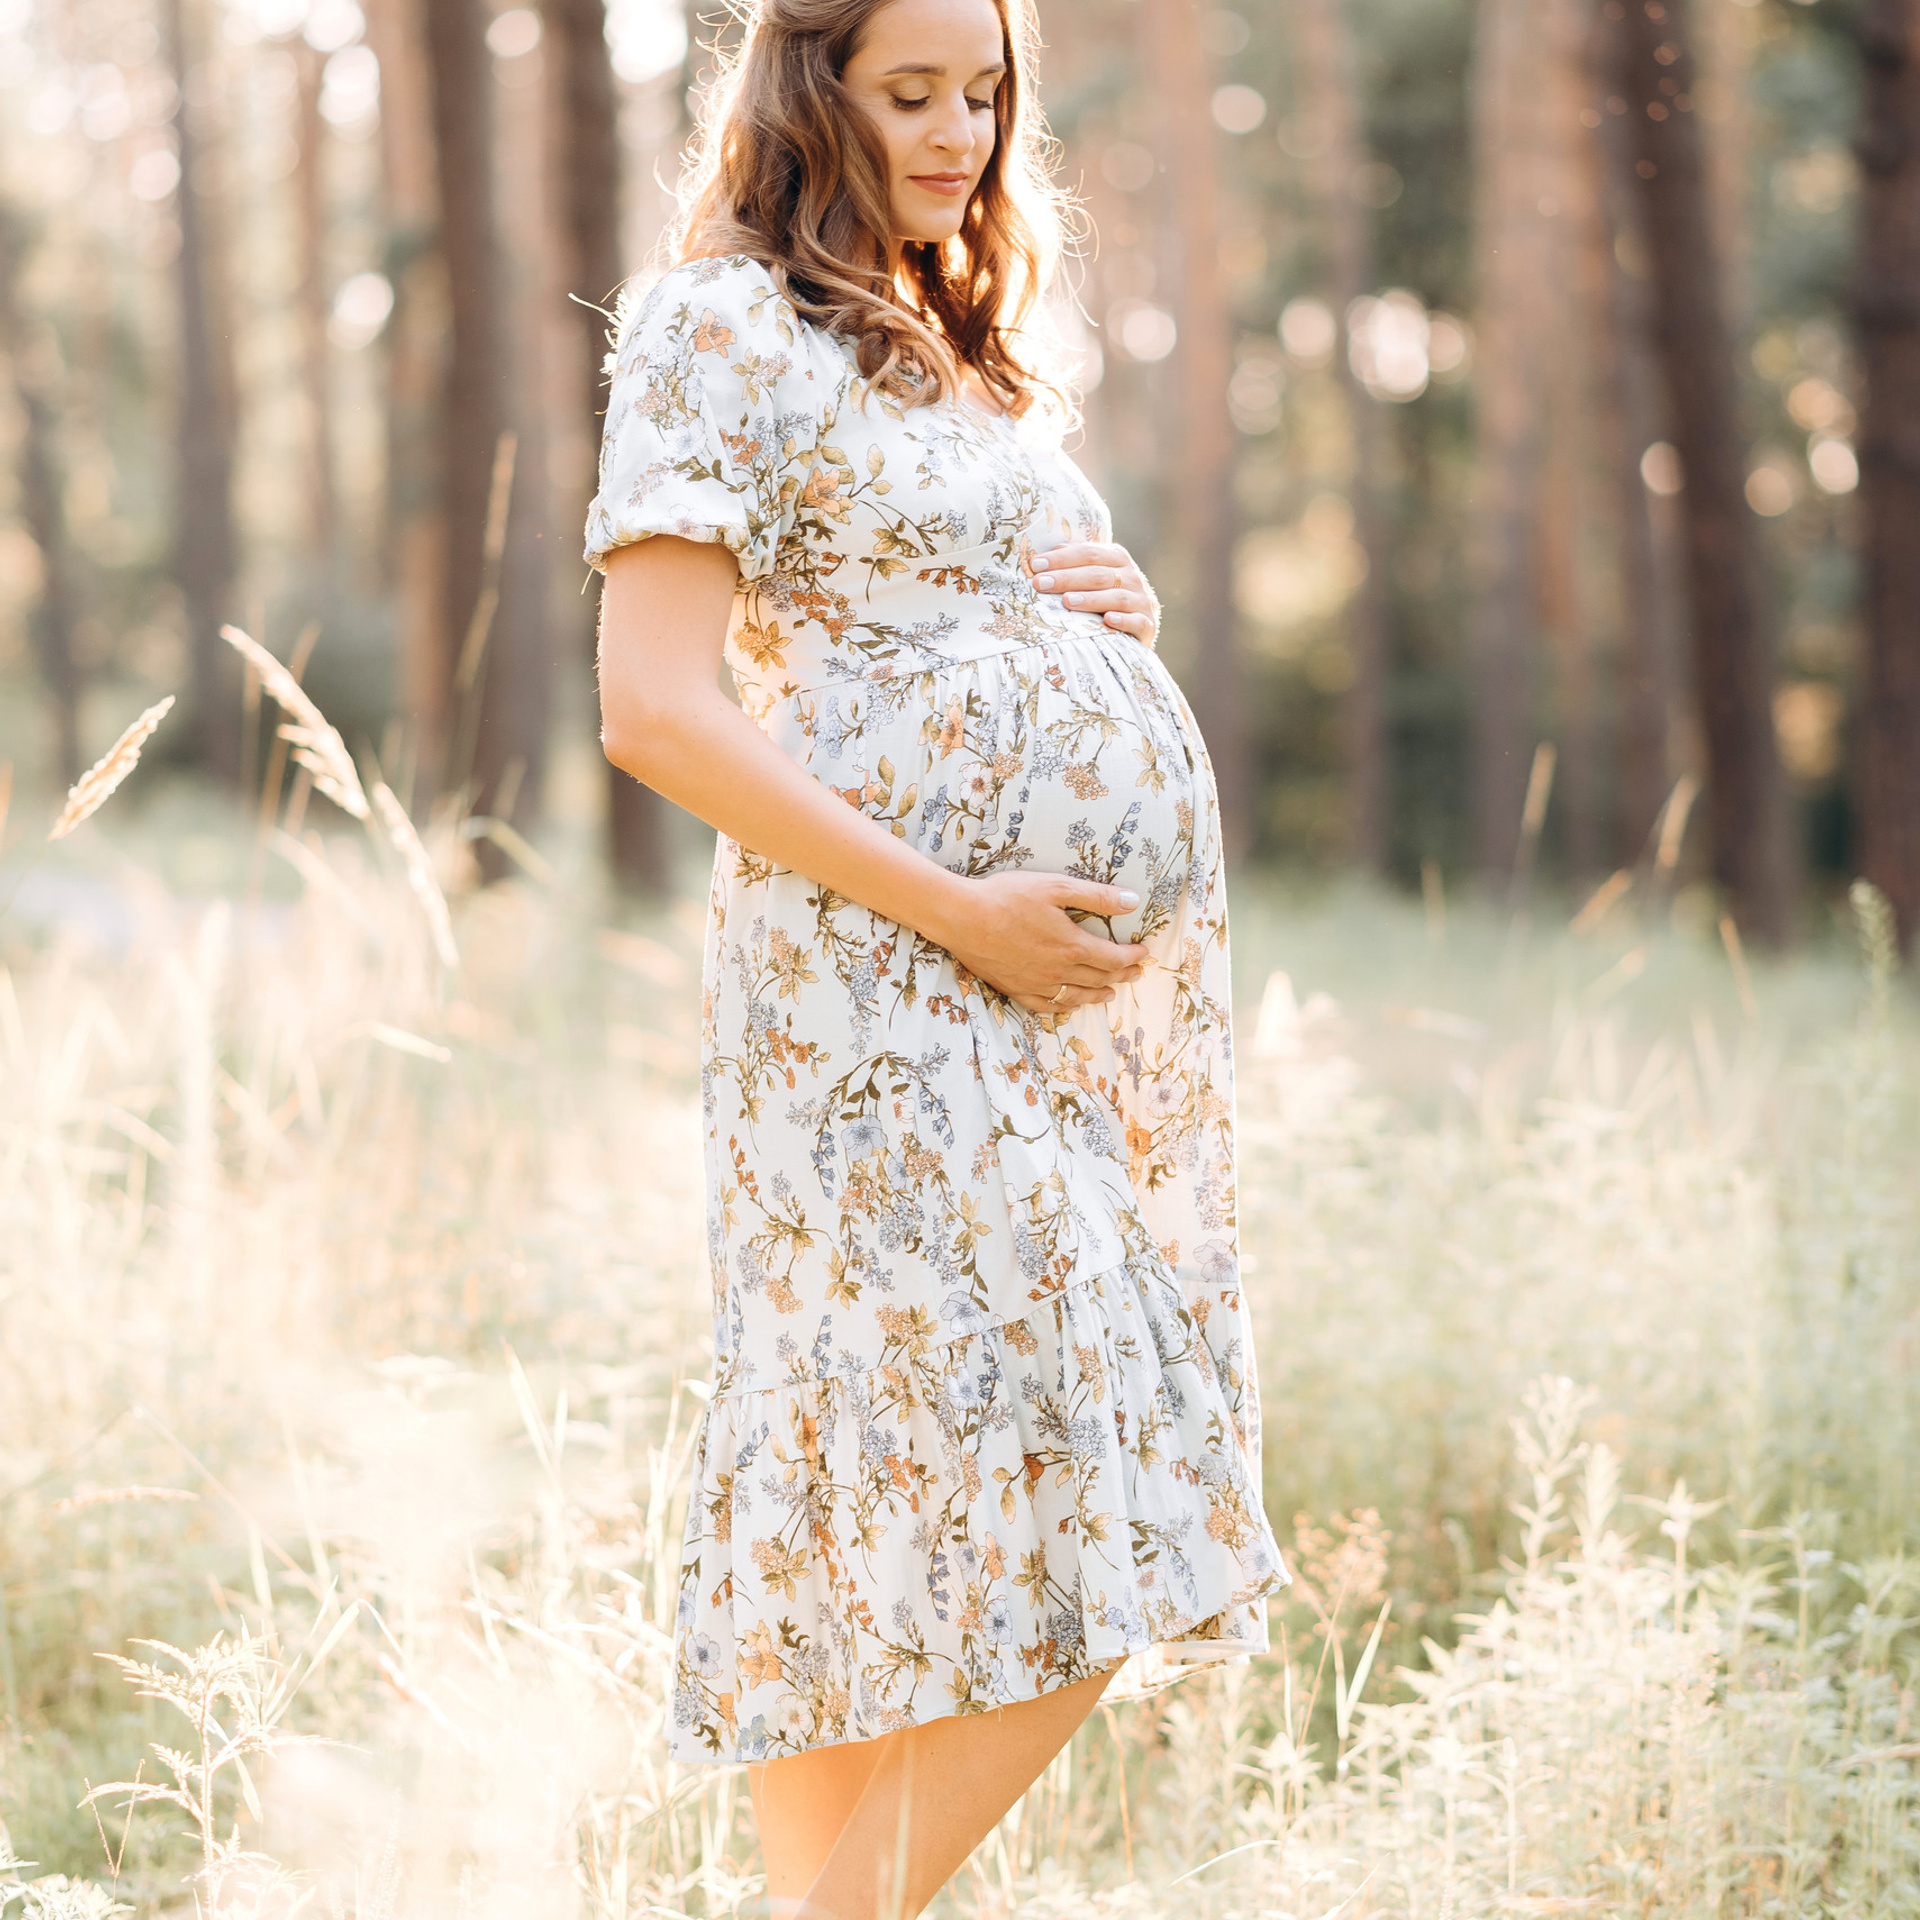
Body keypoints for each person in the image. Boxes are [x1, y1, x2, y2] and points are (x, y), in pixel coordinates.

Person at [586, 0, 1286, 1911]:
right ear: (808, 88)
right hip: (873, 1003)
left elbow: (946, 604)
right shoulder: (717, 324)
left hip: (1020, 1010)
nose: (963, 134)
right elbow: (653, 709)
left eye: (986, 94)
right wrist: (963, 904)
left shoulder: (957, 343)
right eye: (911, 94)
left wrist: (1110, 614)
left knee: (884, 1516)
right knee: (1056, 1469)